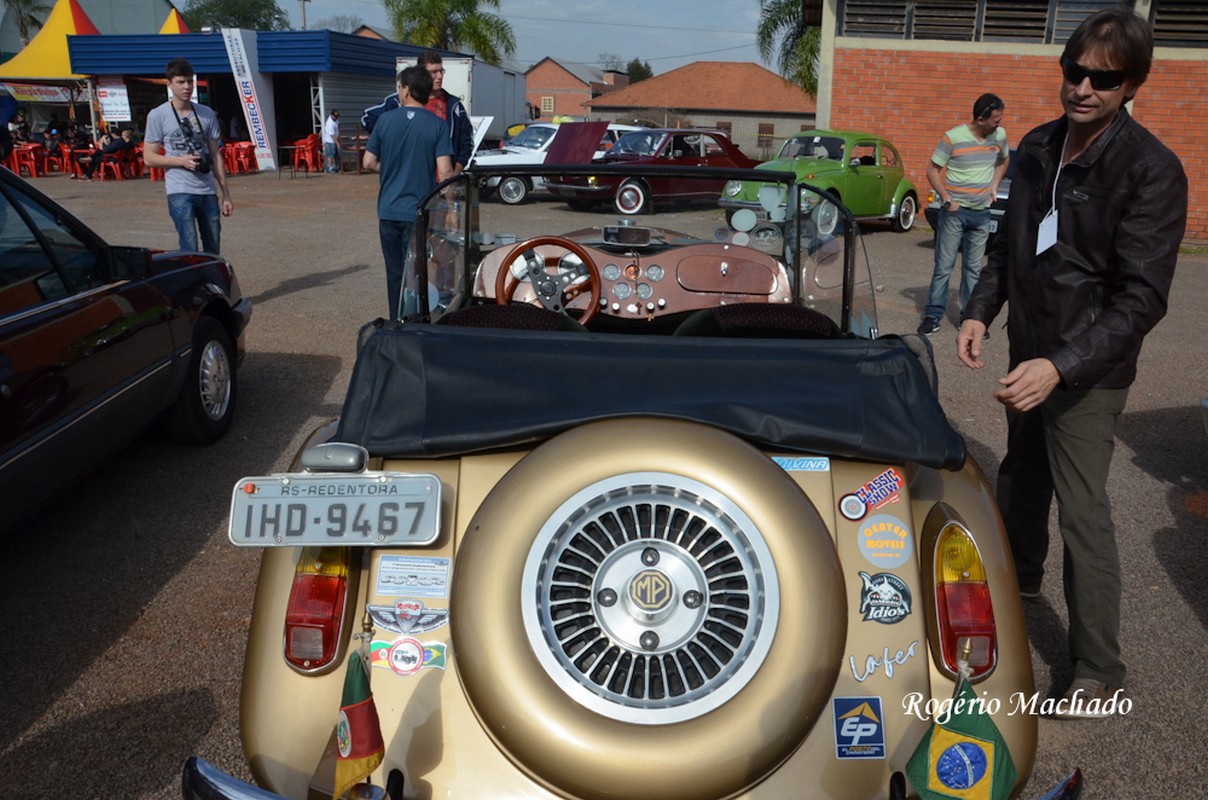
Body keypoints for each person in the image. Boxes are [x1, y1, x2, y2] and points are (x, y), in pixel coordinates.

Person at [956, 8, 1187, 718]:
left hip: (1086, 371)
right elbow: (1008, 246)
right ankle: (1019, 584)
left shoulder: (1150, 169)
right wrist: (979, 310)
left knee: (1082, 510)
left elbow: (1141, 298)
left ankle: (1098, 670)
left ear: (1132, 85)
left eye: (1104, 79)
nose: (1083, 88)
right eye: (1074, 71)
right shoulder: (1035, 146)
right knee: (1021, 474)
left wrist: (1061, 365)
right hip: (1030, 352)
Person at [362, 66, 453, 320]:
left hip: (388, 210)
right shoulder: (438, 125)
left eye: (400, 87)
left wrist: (391, 168)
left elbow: (368, 162)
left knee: (394, 273)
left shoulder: (385, 121)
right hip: (418, 212)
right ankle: (416, 321)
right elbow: (445, 172)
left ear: (406, 90)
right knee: (415, 272)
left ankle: (396, 322)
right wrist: (450, 208)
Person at [918, 94, 1009, 336]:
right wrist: (947, 199)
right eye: (996, 120)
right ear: (981, 119)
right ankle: (933, 316)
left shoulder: (999, 136)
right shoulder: (953, 138)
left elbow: (1004, 160)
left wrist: (994, 186)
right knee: (944, 267)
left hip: (982, 213)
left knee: (973, 269)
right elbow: (932, 170)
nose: (999, 124)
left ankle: (969, 317)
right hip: (955, 214)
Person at [143, 58, 234, 254]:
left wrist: (226, 194)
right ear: (170, 84)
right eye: (181, 82)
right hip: (179, 190)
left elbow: (216, 155)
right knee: (189, 247)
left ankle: (211, 275)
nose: (187, 87)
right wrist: (180, 161)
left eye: (190, 81)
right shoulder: (158, 115)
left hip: (207, 190)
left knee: (213, 247)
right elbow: (149, 157)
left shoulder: (206, 113)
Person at [361, 50, 473, 175]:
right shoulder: (397, 101)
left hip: (441, 181)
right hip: (406, 179)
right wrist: (390, 147)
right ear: (421, 74)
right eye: (434, 72)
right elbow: (367, 119)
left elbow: (466, 143)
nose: (440, 76)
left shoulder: (454, 105)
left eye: (441, 71)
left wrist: (454, 174)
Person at [323, 109, 341, 173]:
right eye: (335, 116)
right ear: (332, 115)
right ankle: (329, 168)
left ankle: (336, 167)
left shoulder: (336, 120)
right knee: (330, 154)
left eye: (337, 116)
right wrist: (337, 143)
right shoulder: (330, 123)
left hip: (335, 139)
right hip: (330, 141)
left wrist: (339, 137)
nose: (336, 118)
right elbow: (332, 135)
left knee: (336, 155)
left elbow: (338, 128)